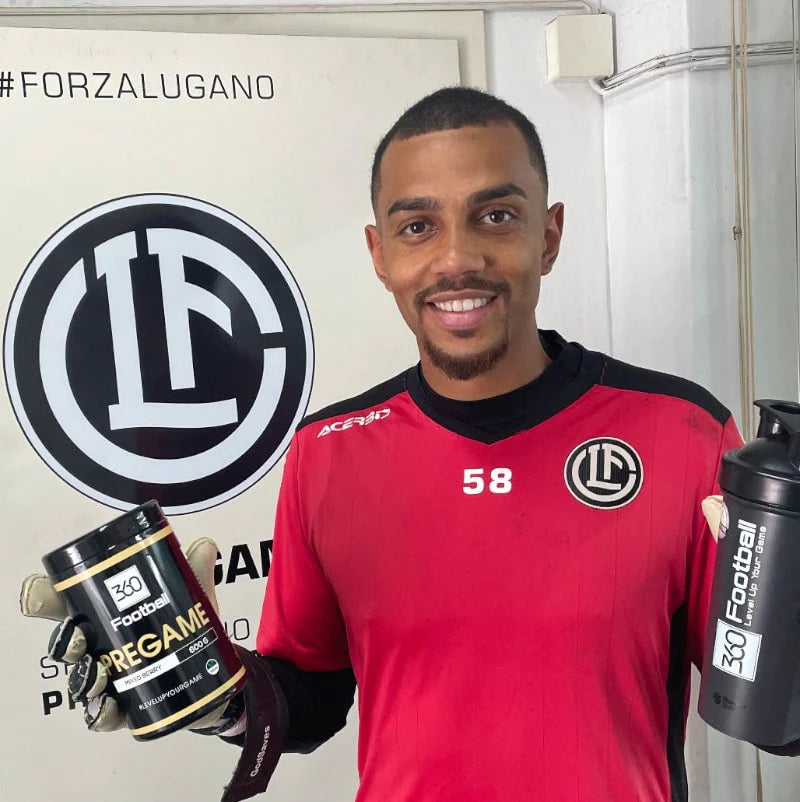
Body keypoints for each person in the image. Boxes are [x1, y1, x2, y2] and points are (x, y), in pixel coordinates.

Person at [22, 87, 800, 802]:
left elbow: (769, 699)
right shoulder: (328, 454)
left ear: (549, 234)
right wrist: (210, 690)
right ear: (379, 253)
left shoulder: (683, 430)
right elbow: (313, 702)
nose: (456, 259)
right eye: (418, 226)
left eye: (495, 216)